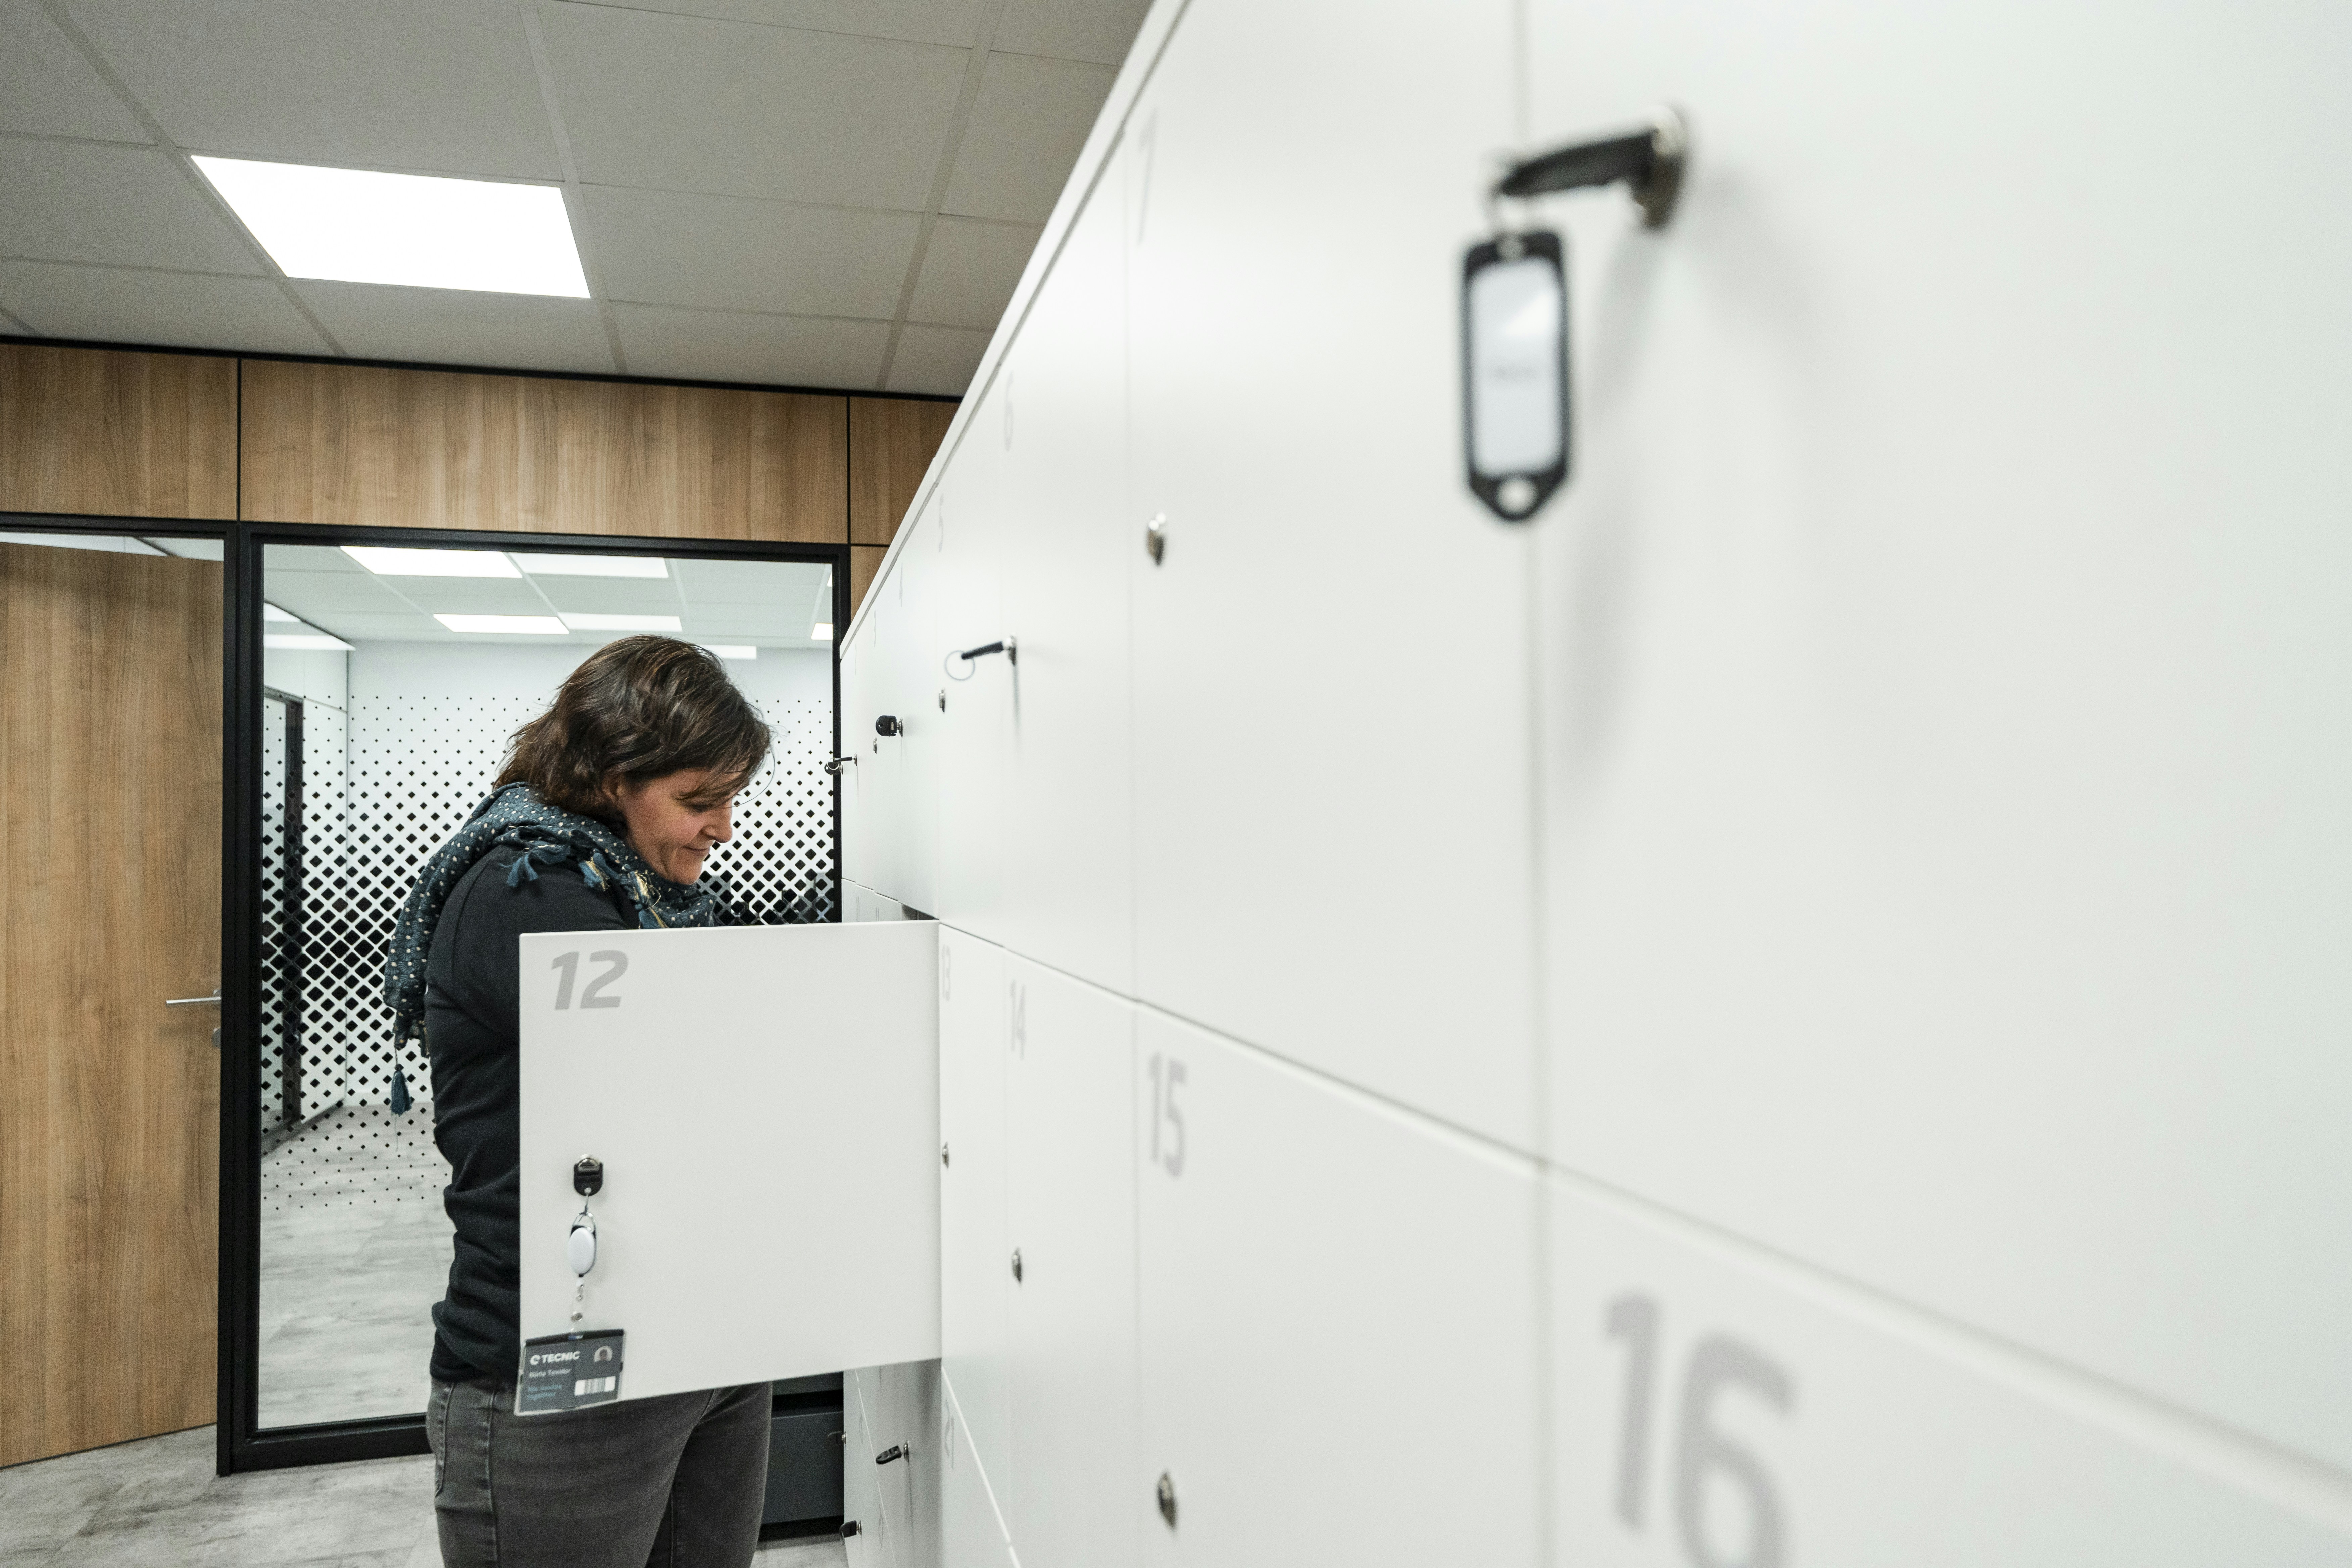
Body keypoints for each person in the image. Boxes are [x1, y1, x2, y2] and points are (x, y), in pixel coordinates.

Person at [383, 636, 774, 1568]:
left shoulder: (650, 892)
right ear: (610, 777)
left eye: (731, 798)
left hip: (704, 1345)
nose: (723, 827)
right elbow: (694, 1085)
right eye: (697, 800)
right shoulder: (530, 891)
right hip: (561, 1374)